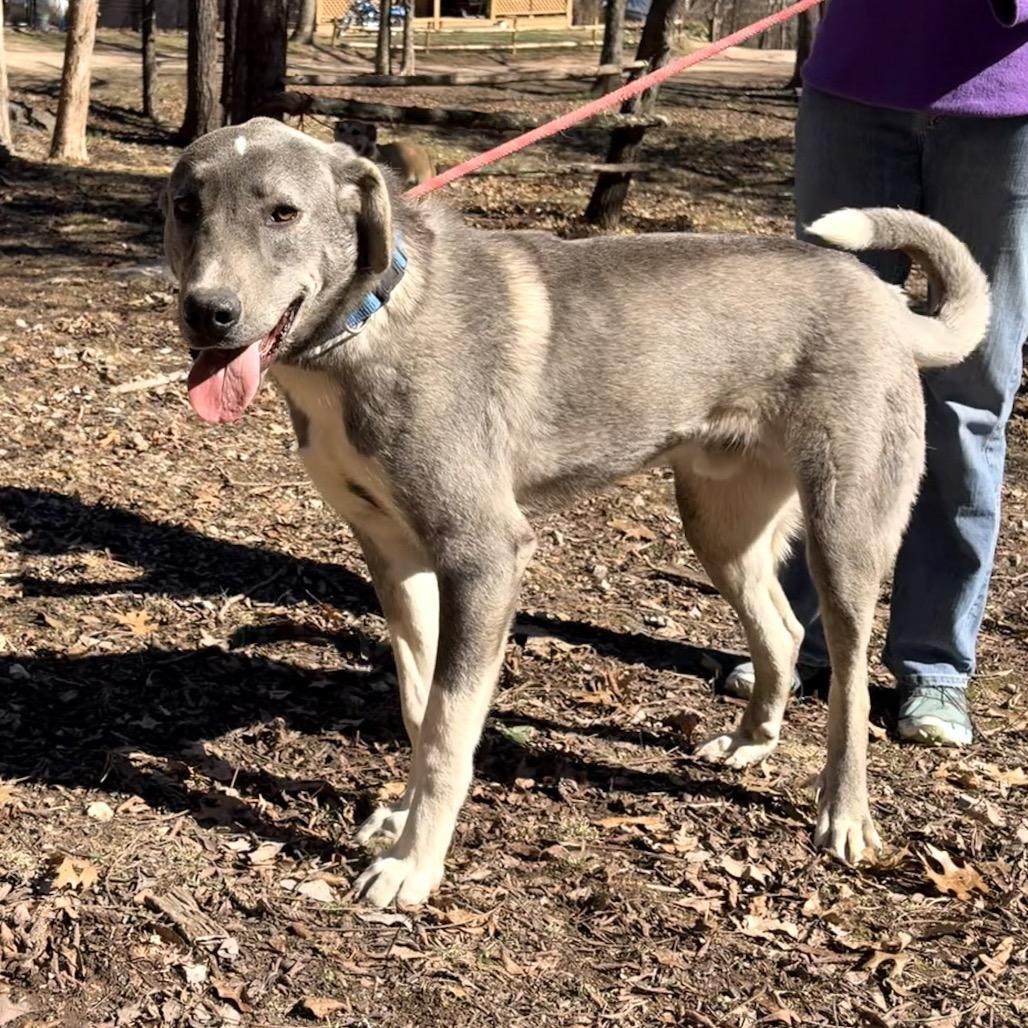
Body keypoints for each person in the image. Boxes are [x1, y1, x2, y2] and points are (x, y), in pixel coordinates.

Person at [725, 0, 1028, 748]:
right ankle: (799, 636)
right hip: (856, 89)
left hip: (1010, 106)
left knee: (970, 395)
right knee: (814, 383)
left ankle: (934, 665)